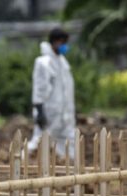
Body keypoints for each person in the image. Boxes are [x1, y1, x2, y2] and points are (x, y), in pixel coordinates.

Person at [28, 27, 76, 158]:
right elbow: (39, 88)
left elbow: (65, 89)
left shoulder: (62, 62)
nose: (65, 46)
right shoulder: (43, 62)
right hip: (49, 112)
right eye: (63, 42)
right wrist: (39, 110)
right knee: (40, 141)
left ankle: (70, 170)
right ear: (55, 42)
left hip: (64, 114)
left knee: (69, 143)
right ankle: (24, 164)